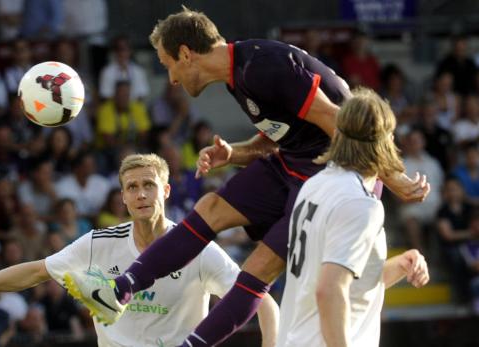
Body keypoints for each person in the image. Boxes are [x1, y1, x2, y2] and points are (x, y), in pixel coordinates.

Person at [63, 7, 430, 346]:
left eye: (167, 65)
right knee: (211, 207)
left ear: (186, 53)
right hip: (294, 162)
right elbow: (284, 128)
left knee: (259, 266)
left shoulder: (263, 65)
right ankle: (121, 289)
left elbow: (337, 120)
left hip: (330, 173)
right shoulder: (240, 74)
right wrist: (236, 153)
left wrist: (393, 177)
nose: (170, 79)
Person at [0, 154, 277, 347]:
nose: (141, 194)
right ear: (123, 198)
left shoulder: (199, 251)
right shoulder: (99, 243)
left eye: (149, 185)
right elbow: (37, 271)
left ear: (167, 191)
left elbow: (261, 300)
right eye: (133, 187)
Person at [276, 88, 430, 347]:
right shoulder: (360, 203)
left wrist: (401, 265)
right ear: (384, 141)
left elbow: (345, 282)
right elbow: (329, 290)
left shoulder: (316, 184)